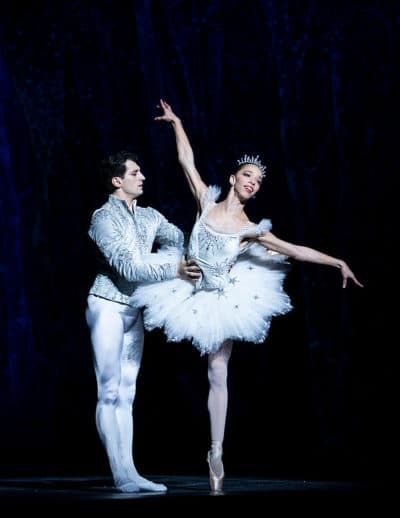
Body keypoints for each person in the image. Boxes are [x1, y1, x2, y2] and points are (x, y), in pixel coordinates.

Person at [131, 100, 364, 492]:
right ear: (234, 177)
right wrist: (177, 123)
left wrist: (337, 260)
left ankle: (216, 450)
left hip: (219, 298)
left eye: (258, 179)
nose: (253, 181)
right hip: (184, 288)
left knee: (217, 371)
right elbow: (186, 161)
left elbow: (295, 249)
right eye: (247, 174)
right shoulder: (205, 200)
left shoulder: (250, 228)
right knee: (144, 328)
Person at [85, 150, 201, 493]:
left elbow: (176, 237)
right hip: (106, 304)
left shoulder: (149, 216)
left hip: (133, 309)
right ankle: (120, 473)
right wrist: (171, 268)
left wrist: (172, 256)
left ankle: (131, 472)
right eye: (135, 172)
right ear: (117, 180)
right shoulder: (103, 218)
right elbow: (129, 268)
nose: (143, 177)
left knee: (127, 393)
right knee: (107, 390)